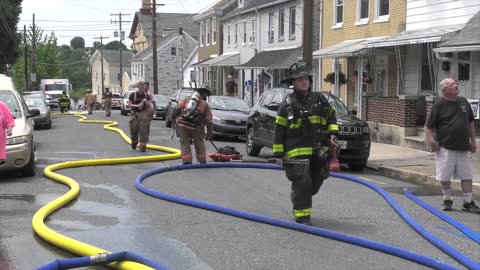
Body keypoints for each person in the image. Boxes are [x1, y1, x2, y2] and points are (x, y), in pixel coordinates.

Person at [273, 60, 340, 225]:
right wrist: (279, 154)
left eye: (306, 79)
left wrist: (332, 133)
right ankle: (303, 217)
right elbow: (279, 131)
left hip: (317, 149)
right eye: (299, 79)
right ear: (293, 83)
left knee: (317, 180)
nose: (304, 82)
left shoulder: (319, 101)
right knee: (303, 181)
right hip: (295, 152)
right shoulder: (286, 105)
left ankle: (299, 196)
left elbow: (330, 117)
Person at [425, 78, 479, 214]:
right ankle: (447, 199)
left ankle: (468, 202)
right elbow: (428, 126)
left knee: (466, 175)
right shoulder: (439, 105)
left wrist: (473, 141)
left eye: (456, 83)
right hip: (445, 147)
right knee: (444, 175)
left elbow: (471, 123)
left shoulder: (463, 102)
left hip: (463, 146)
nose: (456, 85)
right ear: (445, 90)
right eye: (452, 84)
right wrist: (432, 141)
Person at [171, 86, 213, 164]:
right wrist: (209, 133)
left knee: (184, 143)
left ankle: (187, 161)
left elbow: (177, 109)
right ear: (205, 96)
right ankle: (202, 160)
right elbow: (209, 120)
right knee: (199, 143)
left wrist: (173, 118)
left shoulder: (187, 99)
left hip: (183, 125)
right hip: (196, 127)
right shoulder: (205, 105)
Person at [128, 82, 153, 152]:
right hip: (134, 114)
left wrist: (145, 102)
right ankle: (134, 142)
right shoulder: (133, 95)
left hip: (143, 114)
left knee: (144, 130)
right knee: (134, 130)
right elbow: (129, 104)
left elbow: (149, 105)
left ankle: (143, 146)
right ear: (138, 87)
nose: (143, 88)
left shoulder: (146, 95)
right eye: (141, 87)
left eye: (144, 87)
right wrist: (137, 106)